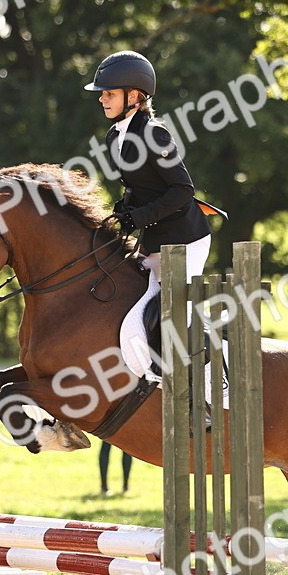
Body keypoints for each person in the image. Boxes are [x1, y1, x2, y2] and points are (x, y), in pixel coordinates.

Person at [84, 50, 213, 380]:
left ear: (134, 96)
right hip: (154, 240)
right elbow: (138, 188)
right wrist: (119, 214)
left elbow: (182, 190)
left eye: (109, 93)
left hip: (186, 239)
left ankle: (218, 380)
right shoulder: (115, 136)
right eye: (103, 93)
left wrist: (135, 219)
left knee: (173, 312)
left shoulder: (155, 133)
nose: (102, 99)